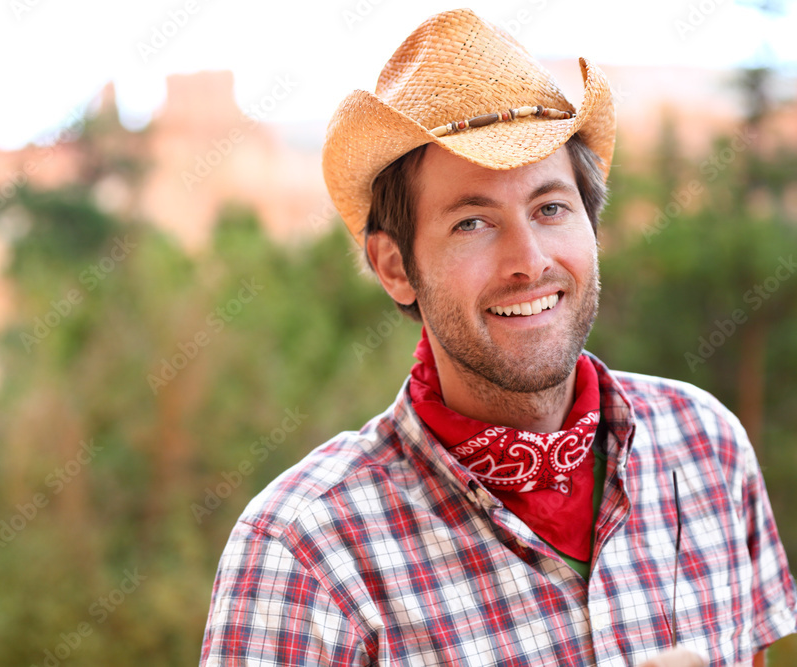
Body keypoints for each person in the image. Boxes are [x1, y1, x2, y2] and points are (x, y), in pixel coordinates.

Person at [200, 9, 797, 666]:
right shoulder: (303, 552)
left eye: (549, 208)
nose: (529, 259)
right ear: (395, 266)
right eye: (472, 224)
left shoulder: (708, 447)